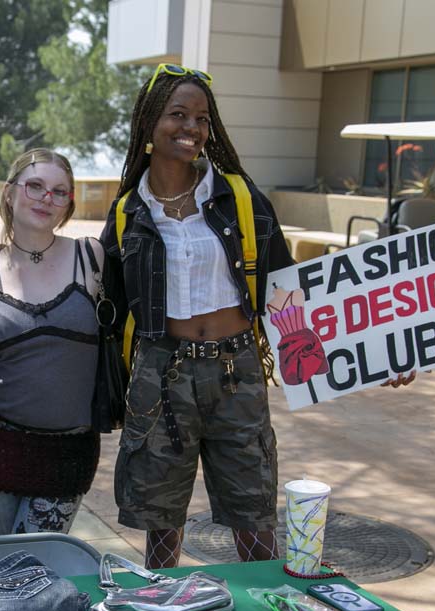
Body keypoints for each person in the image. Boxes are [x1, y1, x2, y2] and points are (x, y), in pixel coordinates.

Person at [101, 63, 294, 569]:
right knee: (162, 526)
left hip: (238, 372)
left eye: (202, 119)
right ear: (149, 124)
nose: (191, 128)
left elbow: (292, 293)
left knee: (255, 521)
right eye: (178, 114)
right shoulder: (128, 213)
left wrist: (375, 355)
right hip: (161, 376)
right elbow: (105, 306)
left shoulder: (240, 198)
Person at [0, 149, 104, 535]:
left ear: (68, 204)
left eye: (60, 192)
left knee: (34, 563)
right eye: (36, 186)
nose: (47, 198)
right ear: (10, 193)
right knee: (4, 564)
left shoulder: (93, 258)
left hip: (68, 451)